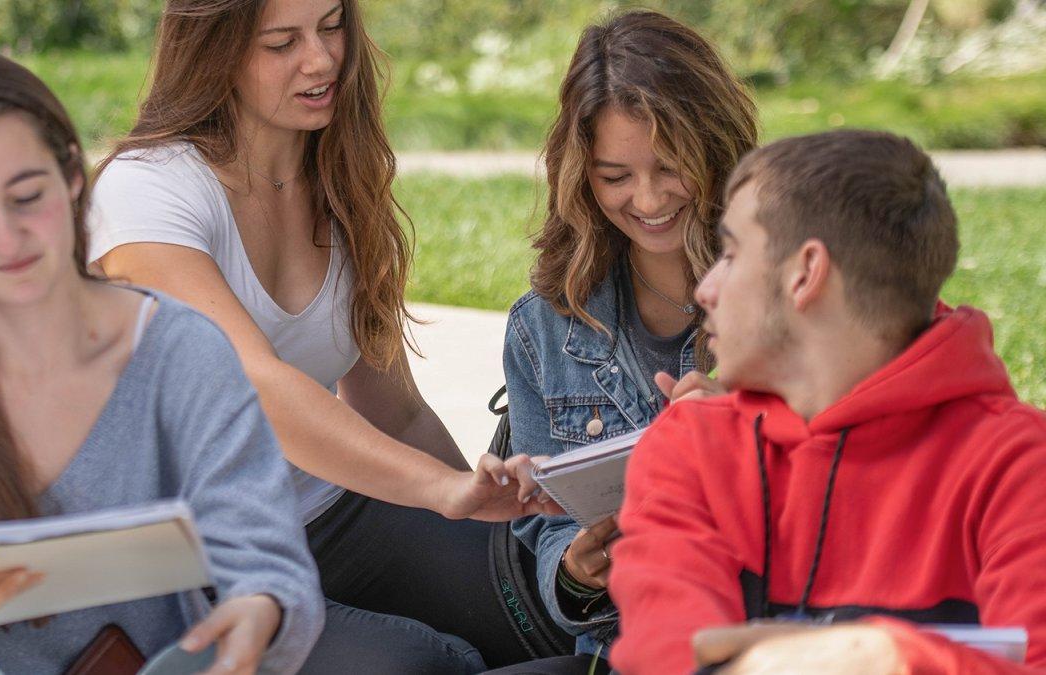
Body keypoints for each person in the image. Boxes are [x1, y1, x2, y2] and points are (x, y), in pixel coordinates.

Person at [86, 0, 557, 671]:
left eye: (332, 26)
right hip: (198, 558)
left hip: (331, 511)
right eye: (282, 42)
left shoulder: (339, 176)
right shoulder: (147, 193)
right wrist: (436, 490)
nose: (323, 58)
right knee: (422, 665)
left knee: (542, 607)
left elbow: (395, 407)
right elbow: (253, 387)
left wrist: (479, 506)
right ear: (213, 53)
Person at [0, 53, 323, 674]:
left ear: (73, 176)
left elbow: (269, 561)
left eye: (26, 197)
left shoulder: (177, 349)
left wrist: (262, 610)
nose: (7, 239)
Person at [608, 129, 1046, 674]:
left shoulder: (1018, 462)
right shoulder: (691, 446)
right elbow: (669, 657)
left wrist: (891, 658)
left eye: (731, 253)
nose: (706, 288)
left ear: (805, 273)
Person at [499, 10, 756, 671]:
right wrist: (580, 571)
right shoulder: (545, 328)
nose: (647, 198)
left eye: (671, 167)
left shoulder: (789, 288)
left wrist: (748, 424)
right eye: (616, 176)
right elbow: (552, 544)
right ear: (581, 174)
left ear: (717, 148)